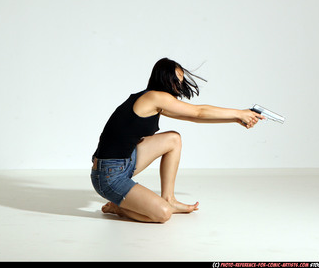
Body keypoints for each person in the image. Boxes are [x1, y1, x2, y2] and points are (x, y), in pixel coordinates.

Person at [91, 58, 264, 223]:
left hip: (124, 162)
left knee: (173, 139)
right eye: (177, 79)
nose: (180, 84)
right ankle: (119, 208)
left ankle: (169, 198)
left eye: (181, 79)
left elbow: (195, 117)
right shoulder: (155, 97)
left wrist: (236, 119)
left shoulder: (154, 100)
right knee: (163, 214)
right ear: (164, 78)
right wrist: (239, 113)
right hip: (108, 176)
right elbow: (199, 112)